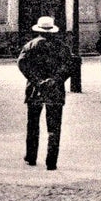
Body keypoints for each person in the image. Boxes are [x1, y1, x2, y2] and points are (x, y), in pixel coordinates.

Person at [17, 15, 75, 169]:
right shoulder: (63, 47)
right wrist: (55, 80)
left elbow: (22, 64)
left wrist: (37, 81)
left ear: (39, 30)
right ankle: (51, 161)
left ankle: (31, 156)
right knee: (54, 127)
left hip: (35, 90)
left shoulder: (30, 46)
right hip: (55, 90)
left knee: (33, 124)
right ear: (53, 30)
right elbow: (70, 66)